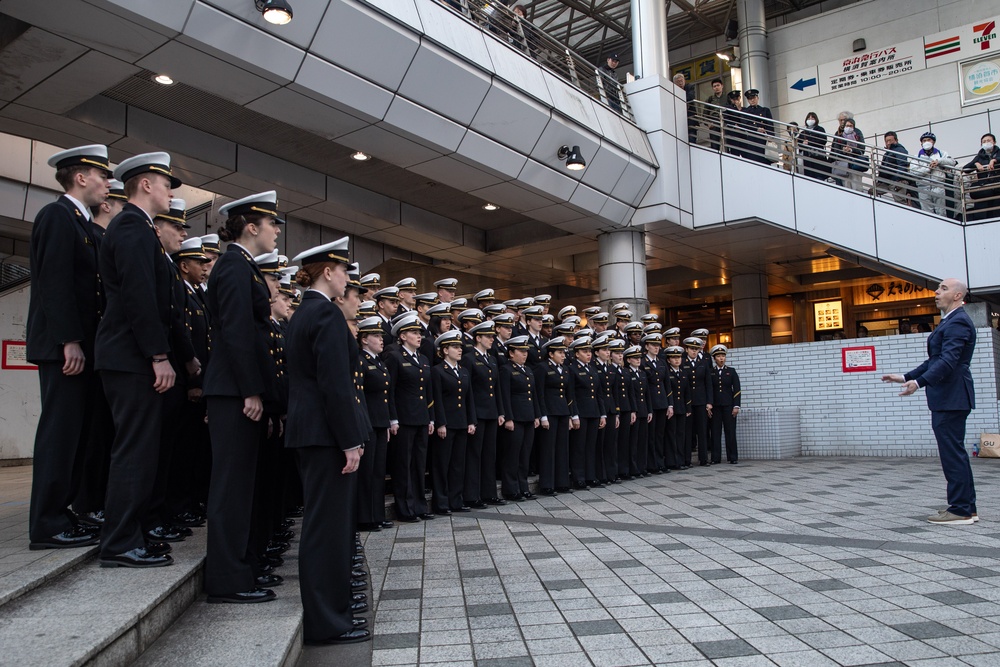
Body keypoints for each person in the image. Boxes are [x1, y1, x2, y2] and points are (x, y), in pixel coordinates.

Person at [95, 152, 182, 568]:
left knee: (142, 449)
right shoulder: (131, 226)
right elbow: (138, 296)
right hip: (130, 356)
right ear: (146, 184)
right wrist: (158, 355)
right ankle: (119, 542)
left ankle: (134, 532)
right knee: (134, 449)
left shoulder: (139, 228)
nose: (170, 192)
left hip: (133, 355)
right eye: (166, 184)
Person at [284, 238, 370, 644]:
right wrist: (350, 440)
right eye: (345, 272)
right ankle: (327, 622)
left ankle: (333, 612)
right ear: (328, 272)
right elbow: (335, 386)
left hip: (312, 432)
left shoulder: (305, 313)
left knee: (326, 527)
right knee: (326, 530)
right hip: (326, 435)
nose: (348, 279)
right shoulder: (326, 315)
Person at [27, 145, 111, 551]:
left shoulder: (79, 222)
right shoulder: (57, 216)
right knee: (60, 435)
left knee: (77, 435)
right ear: (81, 177)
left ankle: (67, 511)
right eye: (103, 176)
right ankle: (47, 523)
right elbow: (54, 283)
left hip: (77, 346)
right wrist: (69, 341)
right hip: (64, 348)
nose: (108, 184)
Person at [201, 191, 283, 601]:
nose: (277, 231)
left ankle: (243, 568)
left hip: (240, 390)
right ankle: (227, 579)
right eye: (272, 224)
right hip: (234, 392)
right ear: (252, 226)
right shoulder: (234, 267)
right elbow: (235, 334)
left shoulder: (243, 267)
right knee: (231, 488)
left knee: (243, 488)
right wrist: (251, 390)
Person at [882, 278, 977, 526]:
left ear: (957, 296)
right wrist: (905, 377)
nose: (936, 292)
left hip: (951, 397)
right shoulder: (950, 321)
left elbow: (947, 362)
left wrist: (919, 383)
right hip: (949, 396)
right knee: (955, 453)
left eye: (943, 288)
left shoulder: (958, 323)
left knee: (952, 454)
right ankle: (967, 507)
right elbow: (935, 361)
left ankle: (960, 510)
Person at [385, 311, 434, 522]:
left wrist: (431, 417)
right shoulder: (395, 356)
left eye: (419, 332)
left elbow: (428, 392)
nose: (419, 336)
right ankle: (404, 508)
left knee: (419, 464)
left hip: (421, 418)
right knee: (403, 464)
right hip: (404, 419)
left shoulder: (422, 359)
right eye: (414, 332)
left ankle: (420, 505)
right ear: (402, 336)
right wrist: (393, 419)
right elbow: (390, 390)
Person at [430, 330, 477, 514]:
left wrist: (471, 421)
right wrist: (441, 423)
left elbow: (469, 398)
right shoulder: (438, 370)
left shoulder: (463, 371)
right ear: (445, 350)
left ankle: (456, 500)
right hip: (447, 424)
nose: (459, 350)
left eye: (460, 347)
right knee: (442, 464)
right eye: (455, 347)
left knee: (458, 464)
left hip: (461, 422)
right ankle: (441, 503)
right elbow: (437, 399)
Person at [462, 320, 506, 507]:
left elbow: (497, 389)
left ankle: (489, 493)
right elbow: (468, 390)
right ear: (478, 338)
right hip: (477, 413)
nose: (491, 340)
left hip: (491, 412)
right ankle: (473, 495)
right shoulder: (469, 358)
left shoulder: (492, 359)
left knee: (489, 454)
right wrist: (471, 416)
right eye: (488, 337)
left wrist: (501, 412)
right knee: (474, 455)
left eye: (492, 337)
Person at [357, 316, 394, 533]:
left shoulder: (378, 362)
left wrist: (389, 421)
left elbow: (386, 396)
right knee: (367, 472)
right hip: (368, 422)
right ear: (364, 339)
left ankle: (377, 514)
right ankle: (364, 517)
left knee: (378, 471)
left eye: (381, 335)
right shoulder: (361, 361)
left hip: (381, 423)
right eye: (376, 336)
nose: (381, 340)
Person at [499, 335, 541, 500]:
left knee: (525, 454)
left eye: (526, 351)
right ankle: (511, 489)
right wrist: (508, 417)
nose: (525, 354)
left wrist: (536, 415)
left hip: (528, 417)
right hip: (515, 417)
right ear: (511, 353)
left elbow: (534, 395)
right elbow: (505, 395)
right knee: (512, 454)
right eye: (521, 351)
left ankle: (523, 487)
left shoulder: (528, 370)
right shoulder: (506, 369)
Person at [535, 337, 572, 494]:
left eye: (564, 352)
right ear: (550, 354)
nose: (563, 355)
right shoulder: (543, 368)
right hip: (549, 412)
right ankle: (547, 484)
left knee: (562, 448)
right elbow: (540, 394)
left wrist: (570, 415)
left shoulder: (564, 369)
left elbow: (567, 394)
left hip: (562, 411)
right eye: (559, 352)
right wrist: (543, 415)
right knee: (548, 449)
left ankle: (561, 482)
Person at [567, 336, 605, 489]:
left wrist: (602, 414)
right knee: (579, 447)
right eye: (584, 351)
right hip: (581, 413)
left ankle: (590, 476)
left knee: (591, 446)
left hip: (594, 412)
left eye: (589, 351)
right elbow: (571, 394)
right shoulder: (572, 369)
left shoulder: (592, 369)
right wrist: (574, 415)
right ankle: (578, 477)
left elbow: (598, 394)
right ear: (576, 354)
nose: (588, 354)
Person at [912, 132, 957, 216]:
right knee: (927, 214)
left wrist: (939, 161)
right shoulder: (916, 157)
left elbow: (952, 162)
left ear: (933, 142)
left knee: (941, 212)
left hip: (939, 186)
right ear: (921, 143)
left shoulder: (941, 153)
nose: (926, 142)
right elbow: (914, 172)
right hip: (923, 188)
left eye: (928, 140)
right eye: (924, 140)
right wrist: (928, 168)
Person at [709, 345, 741, 464]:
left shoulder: (731, 371)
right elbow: (709, 389)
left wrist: (736, 406)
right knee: (715, 432)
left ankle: (732, 457)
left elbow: (737, 389)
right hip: (716, 406)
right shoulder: (711, 372)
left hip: (729, 406)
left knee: (730, 431)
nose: (721, 358)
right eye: (718, 356)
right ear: (714, 358)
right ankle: (715, 458)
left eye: (723, 356)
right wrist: (709, 404)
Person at [963, 133, 1000, 221]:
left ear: (994, 142)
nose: (986, 143)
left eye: (988, 141)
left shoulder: (999, 153)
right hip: (984, 188)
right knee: (981, 213)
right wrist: (976, 164)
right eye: (984, 141)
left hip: (997, 187)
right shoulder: (979, 157)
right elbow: (965, 169)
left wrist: (994, 160)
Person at [830, 117, 868, 191]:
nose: (848, 127)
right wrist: (843, 151)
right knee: (846, 186)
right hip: (844, 164)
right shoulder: (839, 135)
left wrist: (851, 150)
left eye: (850, 126)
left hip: (855, 164)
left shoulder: (857, 134)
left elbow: (862, 148)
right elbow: (835, 150)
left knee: (857, 186)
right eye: (847, 126)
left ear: (853, 127)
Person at [877, 131, 912, 205]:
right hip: (887, 181)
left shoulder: (900, 150)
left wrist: (899, 180)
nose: (888, 143)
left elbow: (902, 165)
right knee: (872, 192)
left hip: (897, 180)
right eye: (886, 141)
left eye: (890, 140)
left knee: (900, 203)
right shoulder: (887, 153)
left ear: (896, 140)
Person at [741, 89, 774, 165]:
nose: (752, 100)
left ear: (757, 98)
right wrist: (756, 128)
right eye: (750, 99)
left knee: (765, 164)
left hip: (764, 140)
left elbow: (770, 125)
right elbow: (745, 124)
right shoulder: (745, 112)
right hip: (752, 141)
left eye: (754, 98)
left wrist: (770, 136)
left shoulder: (765, 110)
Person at [799, 112, 830, 181]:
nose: (810, 119)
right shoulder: (803, 132)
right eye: (809, 118)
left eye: (812, 118)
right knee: (810, 178)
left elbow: (823, 140)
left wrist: (809, 142)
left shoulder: (820, 129)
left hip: (818, 157)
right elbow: (798, 143)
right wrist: (803, 143)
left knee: (819, 177)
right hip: (807, 158)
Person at [704, 78, 726, 150]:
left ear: (722, 86)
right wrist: (708, 123)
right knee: (714, 146)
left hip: (725, 122)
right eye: (714, 86)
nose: (716, 87)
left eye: (718, 85)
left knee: (727, 144)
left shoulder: (727, 98)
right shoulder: (710, 99)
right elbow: (704, 114)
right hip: (714, 123)